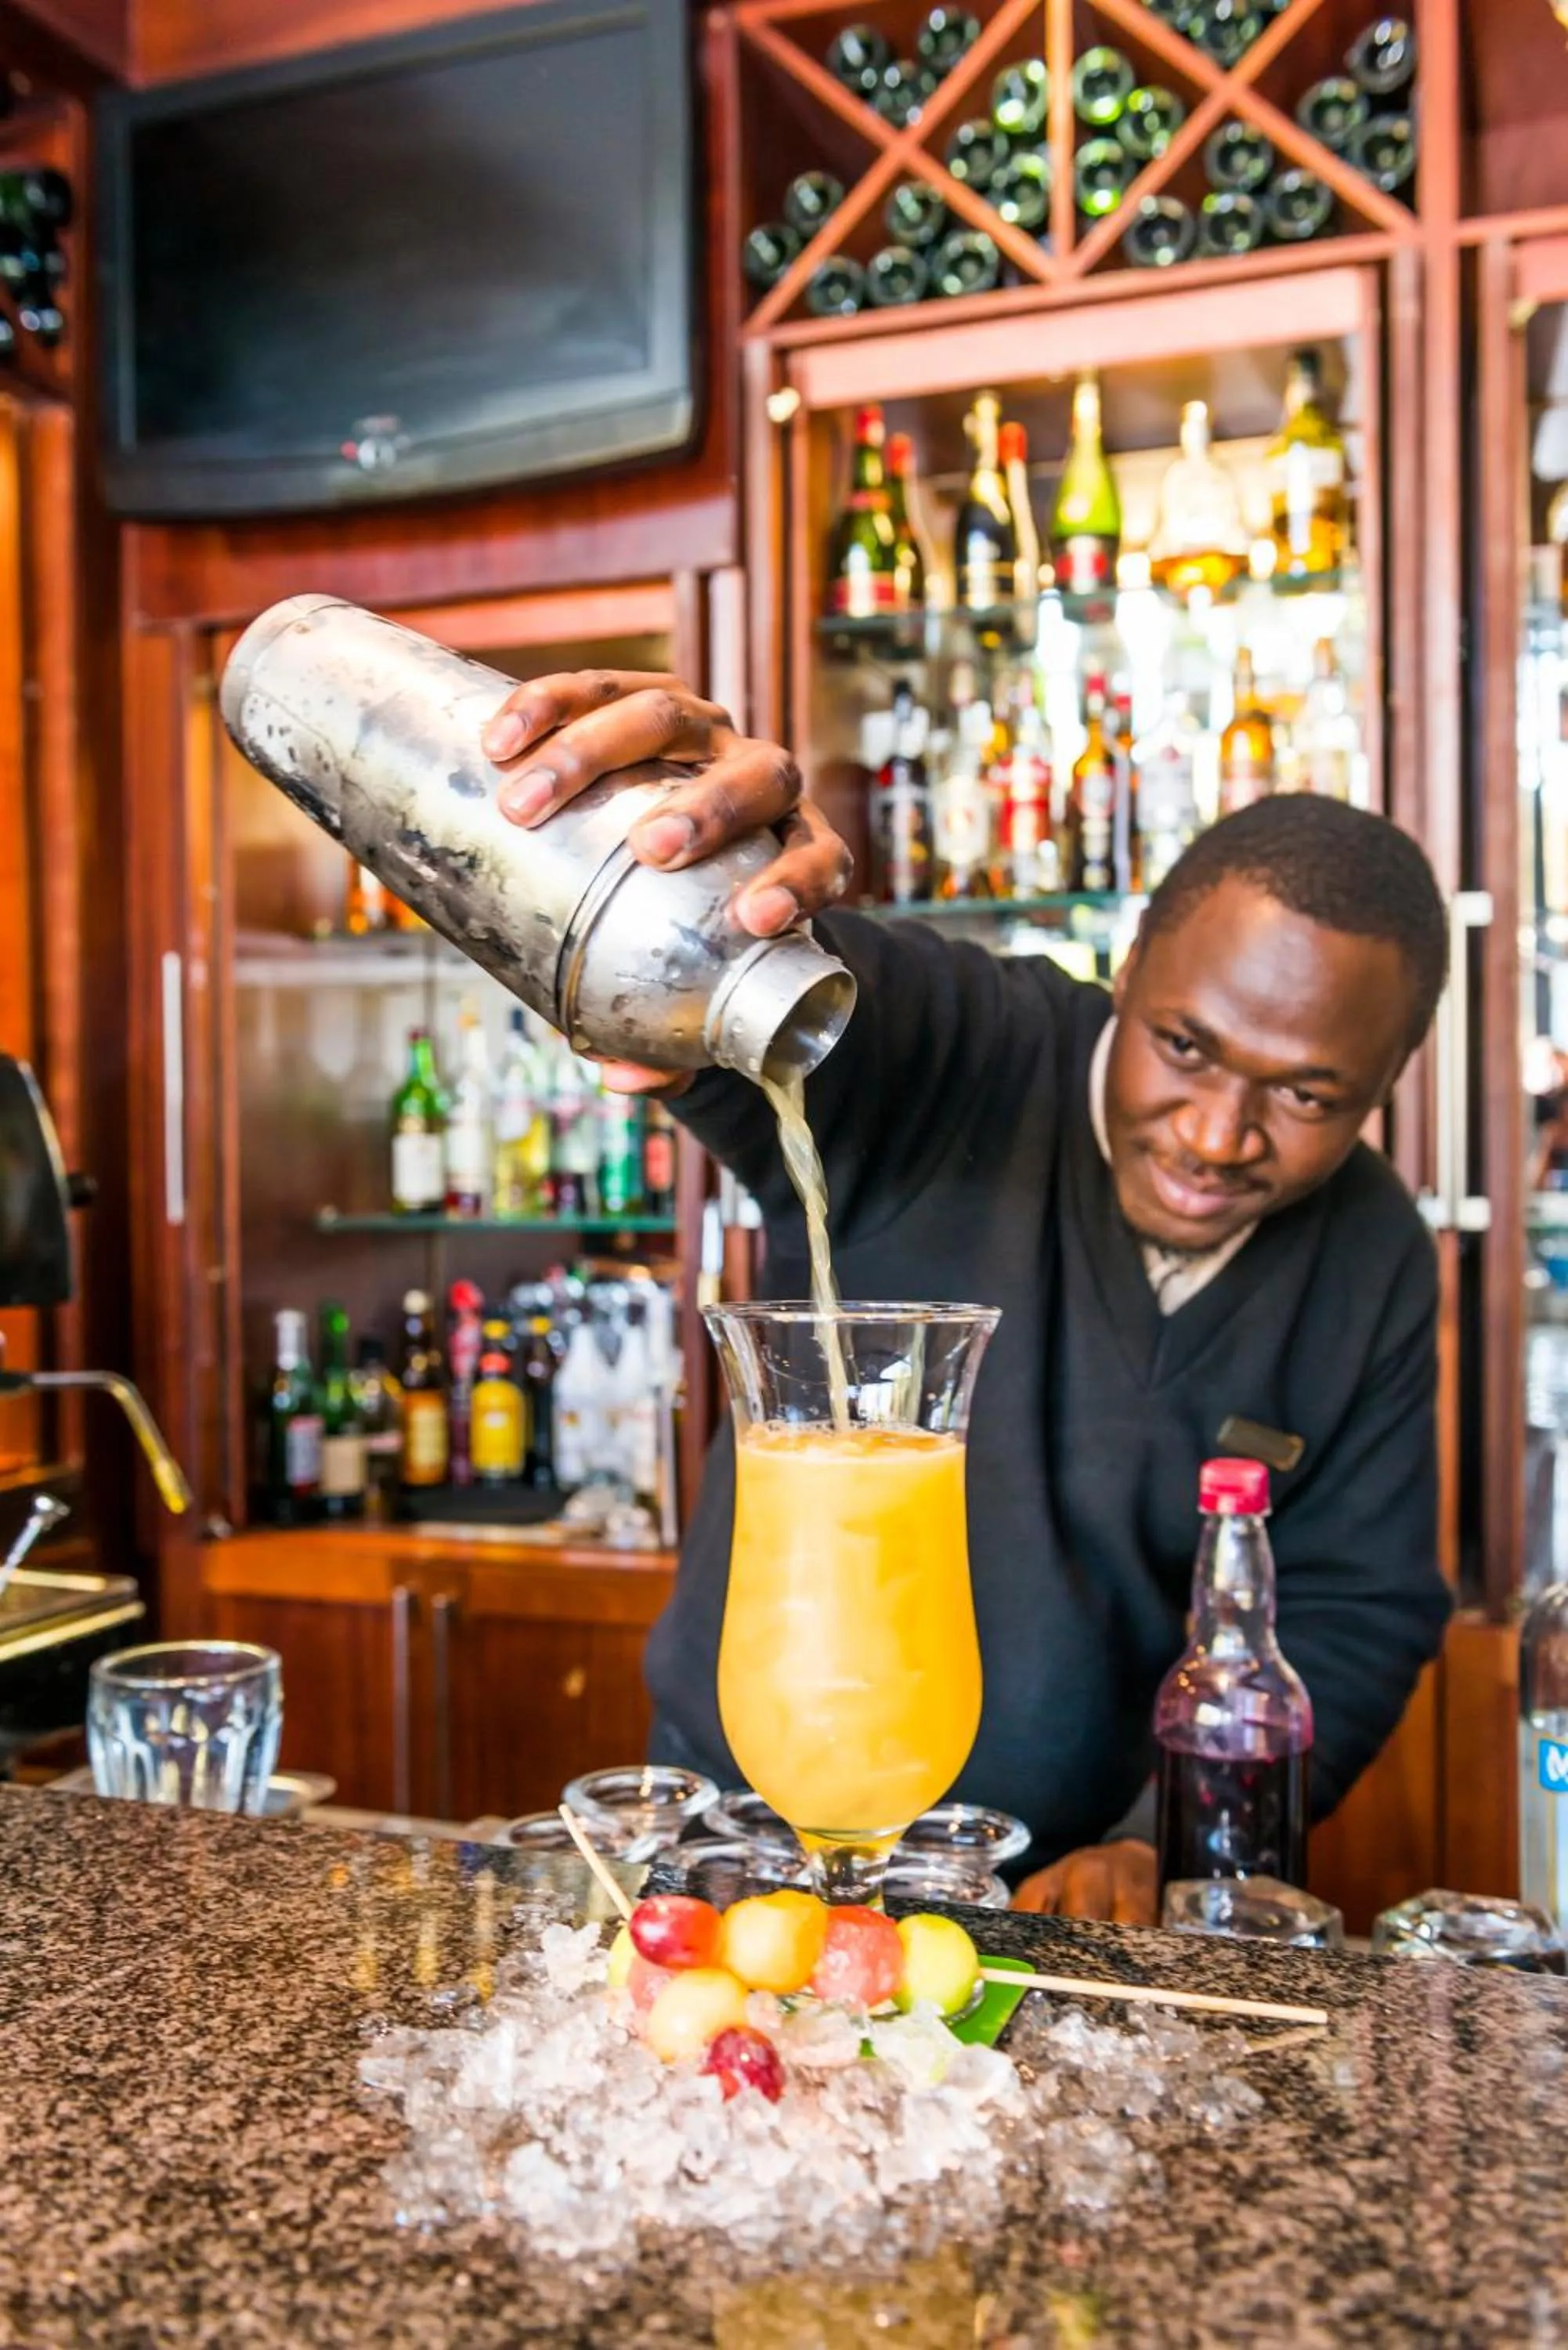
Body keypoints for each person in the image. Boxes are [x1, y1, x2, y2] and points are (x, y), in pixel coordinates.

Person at [480, 671, 1453, 1924]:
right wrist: (677, 845)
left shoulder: (1368, 1250)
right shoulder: (948, 1053)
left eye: (1306, 1097)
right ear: (1132, 962)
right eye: (1187, 1046)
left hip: (1063, 1901)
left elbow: (1352, 1607)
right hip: (744, 1854)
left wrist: (1167, 1844)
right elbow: (753, 974)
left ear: (1385, 1085)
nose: (1217, 1133)